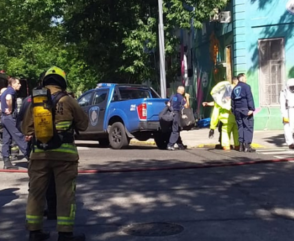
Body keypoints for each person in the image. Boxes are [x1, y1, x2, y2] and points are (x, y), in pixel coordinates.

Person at [21, 66, 89, 241]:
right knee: (65, 193)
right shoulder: (68, 100)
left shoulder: (35, 101)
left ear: (45, 82)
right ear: (62, 82)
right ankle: (65, 234)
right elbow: (84, 124)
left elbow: (26, 128)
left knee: (36, 193)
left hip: (39, 155)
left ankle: (34, 232)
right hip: (64, 157)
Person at [1, 77, 28, 169]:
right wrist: (10, 109)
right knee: (19, 136)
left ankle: (6, 162)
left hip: (4, 117)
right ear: (13, 84)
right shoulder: (11, 91)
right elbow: (8, 98)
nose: (19, 85)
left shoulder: (3, 91)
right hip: (9, 118)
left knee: (6, 139)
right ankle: (30, 157)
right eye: (18, 83)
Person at [209, 79, 239, 151]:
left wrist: (212, 127)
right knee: (236, 132)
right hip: (236, 117)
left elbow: (215, 113)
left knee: (225, 132)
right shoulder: (238, 92)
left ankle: (226, 147)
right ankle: (238, 146)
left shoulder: (220, 99)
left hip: (226, 118)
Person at [231, 73, 256, 152]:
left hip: (237, 110)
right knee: (248, 127)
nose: (246, 79)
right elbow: (249, 98)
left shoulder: (234, 89)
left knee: (240, 127)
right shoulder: (246, 87)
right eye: (245, 78)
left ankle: (241, 145)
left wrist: (233, 111)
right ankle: (247, 145)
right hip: (245, 110)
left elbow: (232, 102)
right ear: (241, 78)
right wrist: (251, 109)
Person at [167, 86, 189, 151]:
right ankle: (170, 145)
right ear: (182, 91)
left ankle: (180, 145)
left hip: (170, 114)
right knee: (175, 130)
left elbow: (168, 104)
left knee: (177, 129)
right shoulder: (181, 98)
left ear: (177, 90)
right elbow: (187, 106)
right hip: (176, 114)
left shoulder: (172, 96)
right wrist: (187, 98)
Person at [280, 78, 294, 149]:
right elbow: (282, 104)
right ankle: (290, 143)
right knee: (287, 127)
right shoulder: (283, 92)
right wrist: (283, 114)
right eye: (291, 87)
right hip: (287, 110)